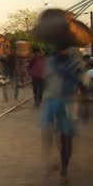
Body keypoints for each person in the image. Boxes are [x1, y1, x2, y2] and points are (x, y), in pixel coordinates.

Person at [41, 48, 88, 183]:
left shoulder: (76, 64)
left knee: (66, 138)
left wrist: (85, 107)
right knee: (53, 133)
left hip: (69, 103)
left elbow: (83, 85)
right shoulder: (51, 62)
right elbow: (46, 81)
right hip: (54, 101)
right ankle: (54, 162)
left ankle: (64, 170)